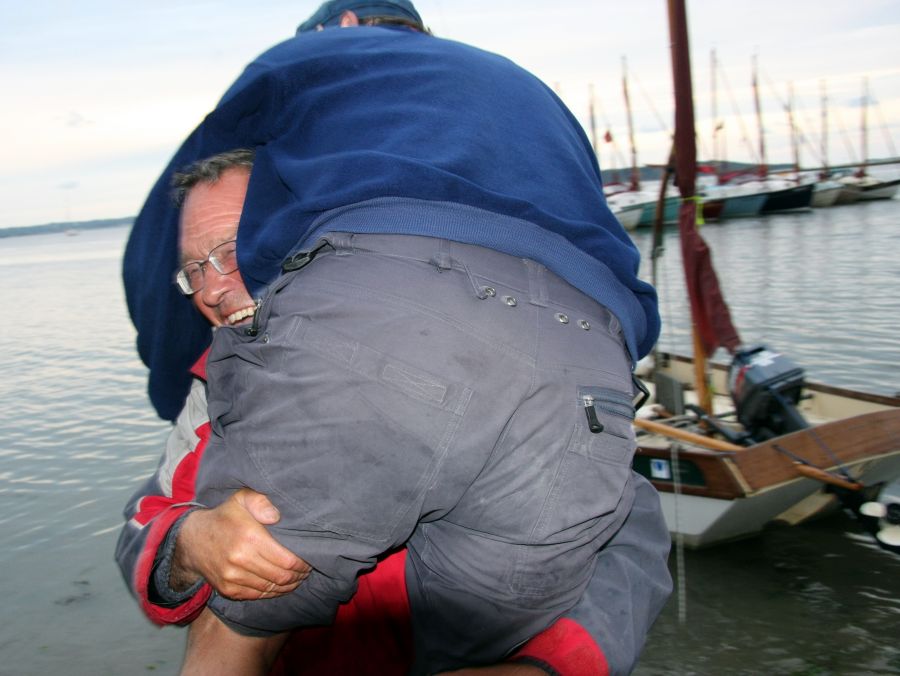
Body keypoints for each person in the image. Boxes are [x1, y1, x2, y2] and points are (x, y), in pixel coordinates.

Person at [120, 1, 666, 672]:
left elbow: (630, 539)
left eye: (236, 248)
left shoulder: (319, 66)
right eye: (190, 272)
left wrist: (549, 666)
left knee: (233, 626)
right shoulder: (209, 391)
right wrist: (190, 542)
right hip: (592, 344)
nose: (209, 288)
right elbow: (142, 519)